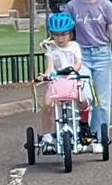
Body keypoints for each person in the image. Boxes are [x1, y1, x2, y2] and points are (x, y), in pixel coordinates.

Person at [66, 0, 112, 153]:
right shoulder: (72, 6)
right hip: (81, 54)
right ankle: (85, 134)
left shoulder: (105, 5)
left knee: (102, 101)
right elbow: (65, 32)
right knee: (86, 97)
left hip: (102, 54)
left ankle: (100, 137)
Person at [36, 12, 88, 153]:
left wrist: (72, 70)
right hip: (56, 81)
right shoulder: (51, 48)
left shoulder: (74, 46)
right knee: (47, 104)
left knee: (83, 101)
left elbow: (78, 63)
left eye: (63, 34)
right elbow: (50, 66)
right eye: (56, 35)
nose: (60, 38)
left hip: (71, 79)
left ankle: (84, 125)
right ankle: (47, 136)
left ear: (69, 34)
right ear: (52, 34)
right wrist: (45, 75)